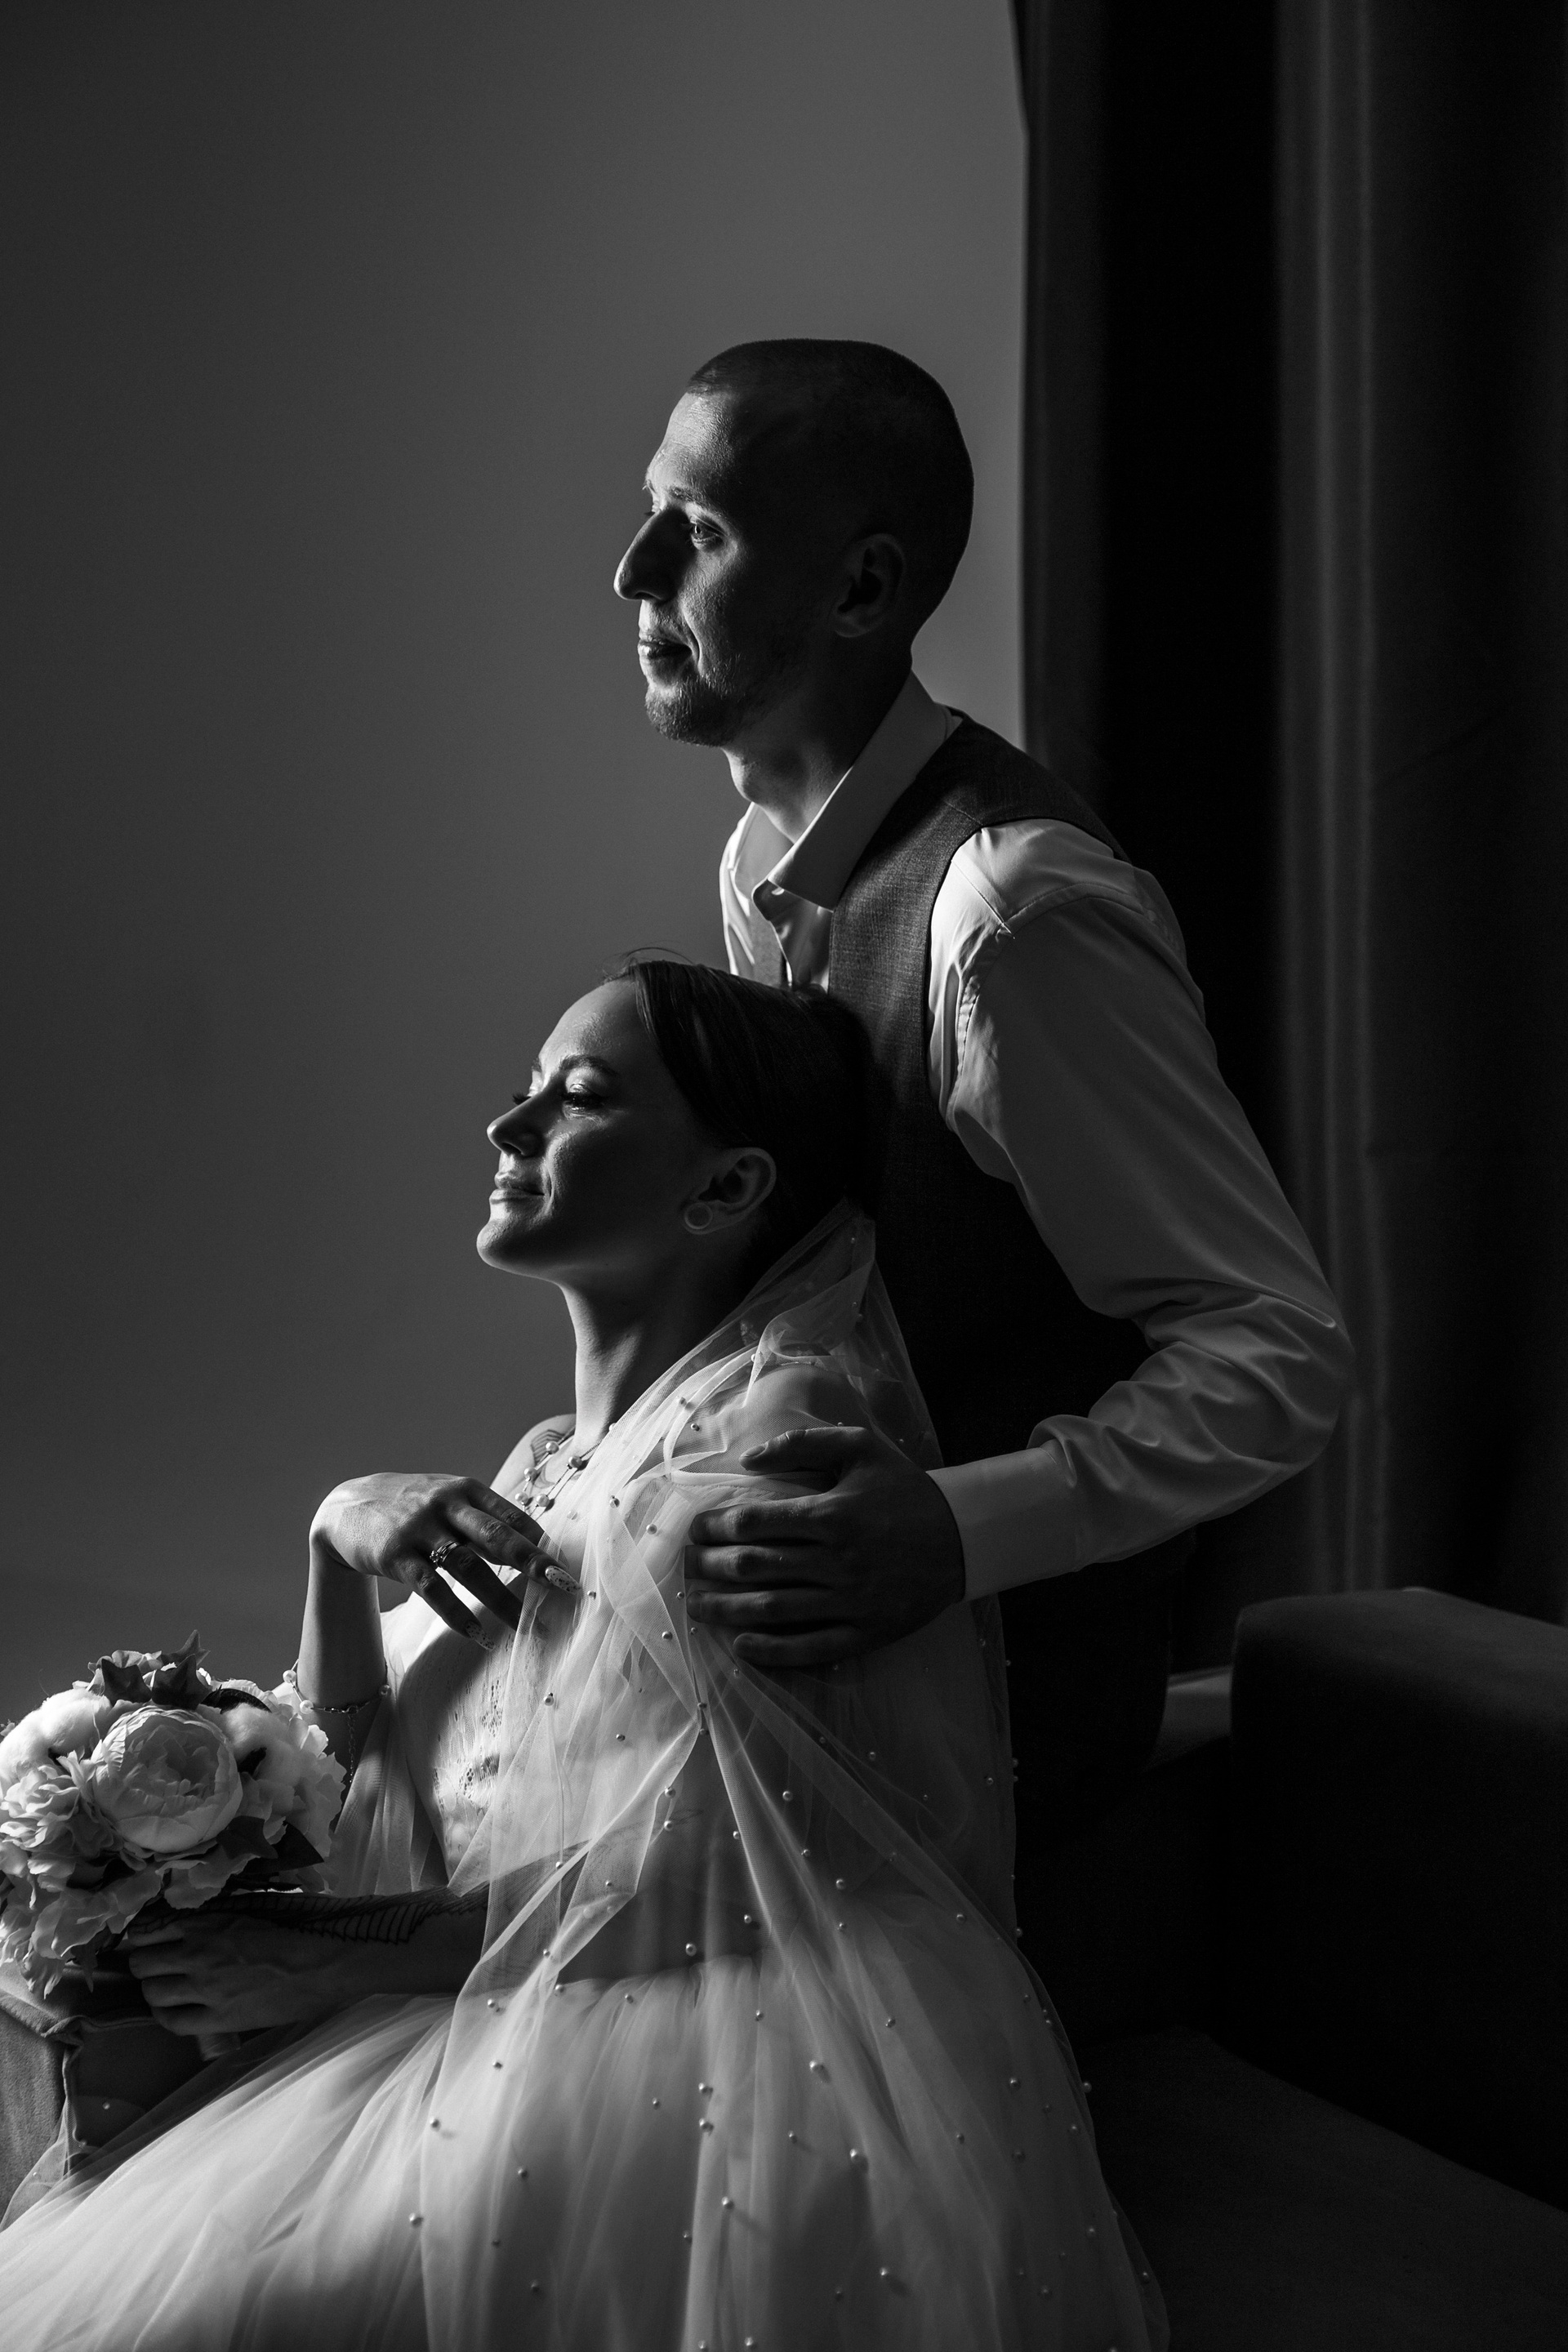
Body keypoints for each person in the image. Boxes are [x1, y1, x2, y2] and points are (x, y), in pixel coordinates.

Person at [0, 961, 1166, 2352]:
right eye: (525, 1093)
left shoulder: (763, 1439)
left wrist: (335, 1969)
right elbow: (368, 1789)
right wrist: (332, 1543)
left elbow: (740, 1863)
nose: (510, 1127)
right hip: (487, 1971)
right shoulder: (546, 1466)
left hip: (687, 2030)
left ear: (725, 1188)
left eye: (581, 1097)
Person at [612, 340, 1354, 1900]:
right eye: (650, 512)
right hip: (805, 1701)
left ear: (863, 589)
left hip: (998, 1740)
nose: (633, 571)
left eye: (703, 530)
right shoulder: (766, 868)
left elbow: (1277, 1350)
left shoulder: (1009, 913)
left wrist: (957, 1533)